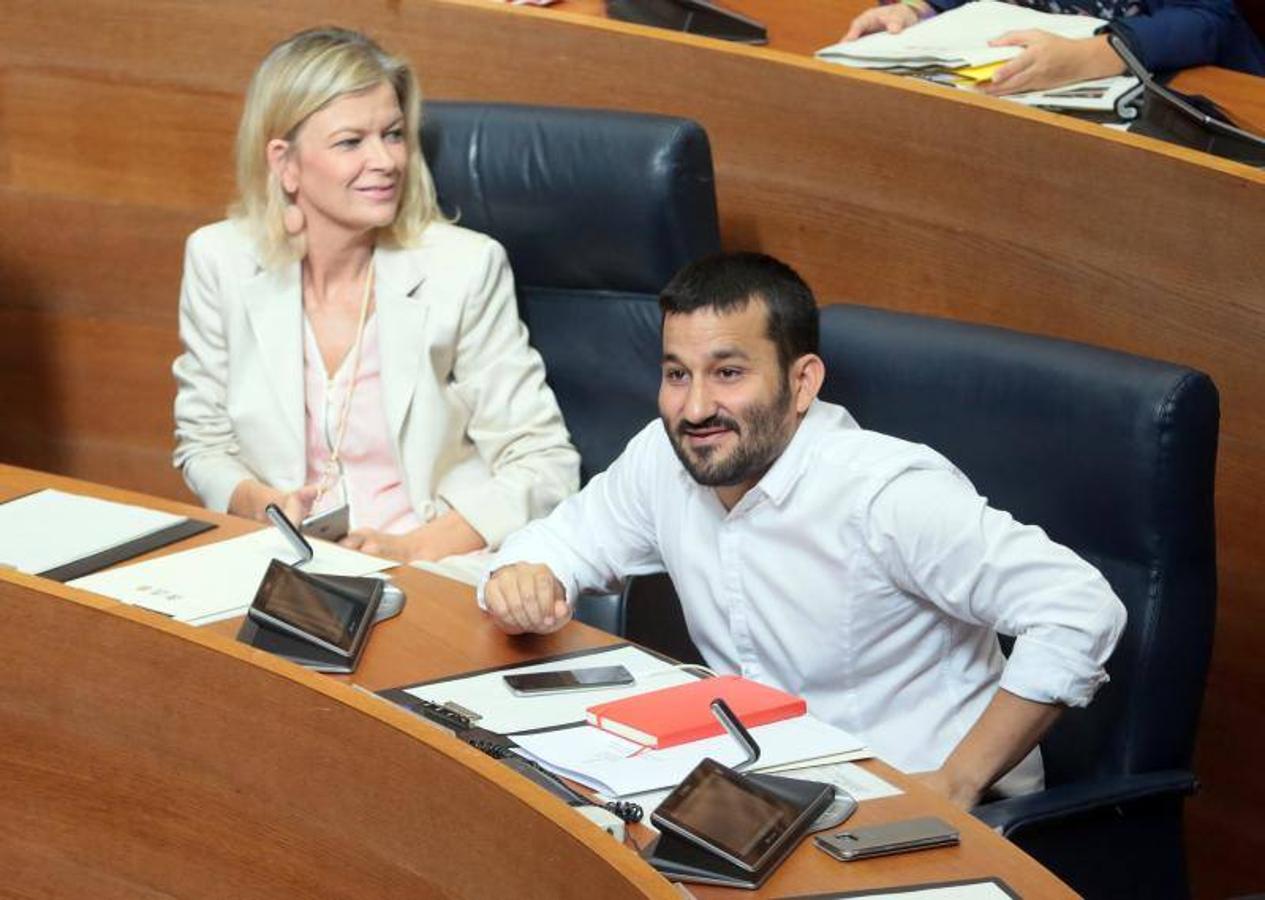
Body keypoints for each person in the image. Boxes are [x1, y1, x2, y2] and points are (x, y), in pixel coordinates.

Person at [480, 252, 1126, 806]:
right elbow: (562, 541)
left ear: (801, 383)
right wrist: (527, 575)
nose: (695, 406)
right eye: (677, 374)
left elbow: (1078, 607)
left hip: (932, 806)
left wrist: (959, 780)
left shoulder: (884, 494)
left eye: (728, 373)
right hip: (776, 789)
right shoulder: (663, 456)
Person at [172, 28, 579, 563]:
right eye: (350, 142)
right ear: (285, 163)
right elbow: (202, 444)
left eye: (392, 134)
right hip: (282, 560)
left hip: (434, 561)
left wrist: (412, 549)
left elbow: (545, 463)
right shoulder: (218, 259)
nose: (386, 161)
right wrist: (263, 503)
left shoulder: (465, 267)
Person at [841, 0, 1265, 95]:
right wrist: (918, 10)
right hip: (1011, 91)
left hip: (1176, 96)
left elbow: (1209, 20)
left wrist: (1101, 53)